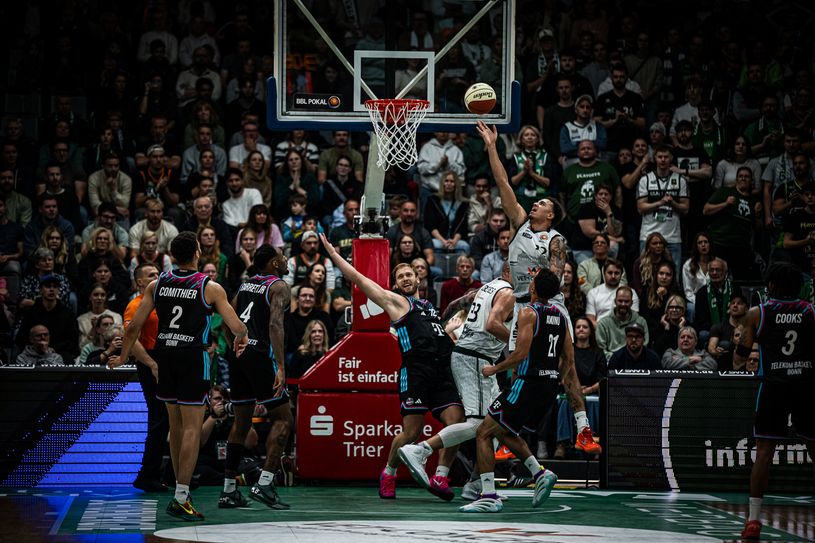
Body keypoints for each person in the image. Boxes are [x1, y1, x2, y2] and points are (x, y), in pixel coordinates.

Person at [478, 120, 600, 454]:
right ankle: (507, 433)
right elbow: (502, 180)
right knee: (516, 366)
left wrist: (538, 290)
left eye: (543, 202)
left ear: (551, 215)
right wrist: (492, 146)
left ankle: (583, 429)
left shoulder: (556, 240)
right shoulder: (519, 223)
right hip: (520, 304)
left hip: (550, 304)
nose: (537, 203)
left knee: (567, 365)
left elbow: (556, 276)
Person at [113, 231, 249, 521]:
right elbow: (236, 326)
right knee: (190, 428)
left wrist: (123, 357)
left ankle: (179, 491)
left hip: (165, 355)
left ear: (172, 255)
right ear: (197, 253)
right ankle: (181, 495)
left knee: (174, 427)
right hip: (191, 356)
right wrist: (242, 338)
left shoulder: (156, 283)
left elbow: (132, 328)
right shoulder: (209, 287)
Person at [320, 234, 465, 501]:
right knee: (411, 432)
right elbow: (359, 279)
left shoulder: (430, 308)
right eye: (401, 277)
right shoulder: (396, 303)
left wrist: (450, 331)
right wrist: (333, 253)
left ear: (418, 278)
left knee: (456, 422)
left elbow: (435, 335)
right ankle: (389, 472)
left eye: (410, 274)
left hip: (443, 372)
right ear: (396, 285)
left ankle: (441, 475)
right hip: (416, 371)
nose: (406, 279)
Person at [458, 269, 572, 513]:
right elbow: (568, 360)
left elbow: (520, 354)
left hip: (527, 384)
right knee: (506, 431)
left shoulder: (528, 312)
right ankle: (539, 473)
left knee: (484, 432)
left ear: (533, 288)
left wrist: (495, 368)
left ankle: (488, 495)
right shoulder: (561, 317)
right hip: (549, 387)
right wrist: (556, 380)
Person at [397, 263, 514, 500]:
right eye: (401, 276)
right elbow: (490, 324)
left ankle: (472, 484)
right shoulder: (504, 292)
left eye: (409, 274)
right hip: (467, 360)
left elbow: (457, 305)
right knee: (478, 426)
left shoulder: (483, 291)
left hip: (471, 360)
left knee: (492, 425)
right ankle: (418, 451)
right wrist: (521, 345)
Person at [734, 262, 815, 541]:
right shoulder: (810, 311)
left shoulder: (758, 312)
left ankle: (753, 520)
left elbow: (741, 355)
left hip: (774, 387)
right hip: (806, 386)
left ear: (770, 286)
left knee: (764, 452)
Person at [218, 246, 292, 511]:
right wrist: (281, 366)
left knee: (240, 423)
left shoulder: (247, 285)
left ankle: (228, 491)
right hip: (262, 356)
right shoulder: (279, 285)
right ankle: (265, 483)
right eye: (282, 256)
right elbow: (275, 325)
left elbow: (226, 321)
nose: (286, 260)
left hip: (239, 356)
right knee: (284, 419)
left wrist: (233, 345)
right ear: (274, 263)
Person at [123, 263, 166, 493]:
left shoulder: (164, 302)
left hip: (166, 359)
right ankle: (147, 474)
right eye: (151, 275)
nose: (156, 277)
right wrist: (152, 364)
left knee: (170, 420)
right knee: (158, 419)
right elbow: (132, 340)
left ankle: (168, 473)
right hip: (150, 362)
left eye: (158, 274)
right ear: (139, 282)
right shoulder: (135, 305)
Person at [553, 316, 605, 459]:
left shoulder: (598, 352)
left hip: (591, 392)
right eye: (578, 327)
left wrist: (588, 390)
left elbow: (603, 379)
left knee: (594, 402)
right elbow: (561, 372)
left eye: (585, 327)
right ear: (573, 331)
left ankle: (593, 440)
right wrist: (573, 388)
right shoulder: (567, 351)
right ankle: (561, 444)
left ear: (591, 331)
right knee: (564, 402)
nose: (581, 329)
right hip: (569, 391)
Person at [703, 166, 761, 280]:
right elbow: (706, 210)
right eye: (741, 176)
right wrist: (725, 204)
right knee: (716, 276)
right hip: (720, 243)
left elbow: (758, 229)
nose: (743, 179)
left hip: (740, 247)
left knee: (739, 281)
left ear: (752, 181)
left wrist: (758, 215)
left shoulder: (754, 201)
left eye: (747, 176)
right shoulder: (725, 192)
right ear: (736, 180)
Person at [636, 145, 689, 266]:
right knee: (646, 274)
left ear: (671, 158)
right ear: (655, 158)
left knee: (673, 276)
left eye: (666, 157)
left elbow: (685, 209)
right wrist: (660, 203)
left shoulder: (681, 180)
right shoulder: (645, 180)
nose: (663, 160)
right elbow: (640, 208)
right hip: (648, 236)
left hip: (672, 238)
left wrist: (673, 203)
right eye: (660, 157)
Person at [596, 286, 649, 360]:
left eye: (627, 301)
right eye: (620, 301)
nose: (623, 304)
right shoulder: (603, 324)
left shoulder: (641, 322)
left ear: (632, 303)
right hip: (611, 364)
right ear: (615, 301)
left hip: (635, 362)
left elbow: (644, 346)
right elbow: (601, 350)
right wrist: (617, 359)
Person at [423, 171, 470, 255]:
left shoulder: (463, 204)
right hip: (438, 238)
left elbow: (462, 227)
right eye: (446, 181)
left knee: (464, 246)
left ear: (456, 184)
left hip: (455, 240)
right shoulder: (433, 200)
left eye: (452, 181)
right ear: (442, 183)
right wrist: (443, 241)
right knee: (434, 244)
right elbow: (431, 225)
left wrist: (454, 241)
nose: (449, 184)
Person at [585, 258, 639, 325]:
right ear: (604, 274)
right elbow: (590, 320)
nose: (613, 276)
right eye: (610, 273)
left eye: (616, 273)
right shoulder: (593, 293)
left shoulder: (631, 292)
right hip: (600, 330)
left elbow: (634, 319)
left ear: (621, 274)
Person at [707, 293, 749, 371]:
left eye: (739, 303)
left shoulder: (749, 328)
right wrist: (716, 351)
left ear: (746, 308)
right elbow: (711, 347)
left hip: (744, 360)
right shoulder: (718, 327)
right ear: (729, 308)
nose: (735, 305)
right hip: (724, 361)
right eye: (733, 303)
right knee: (724, 345)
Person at [680, 231, 714, 321]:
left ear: (710, 244)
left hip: (714, 299)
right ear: (696, 246)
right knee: (691, 309)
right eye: (700, 243)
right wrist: (700, 303)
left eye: (706, 242)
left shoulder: (717, 264)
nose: (703, 245)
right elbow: (688, 291)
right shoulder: (688, 265)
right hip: (694, 300)